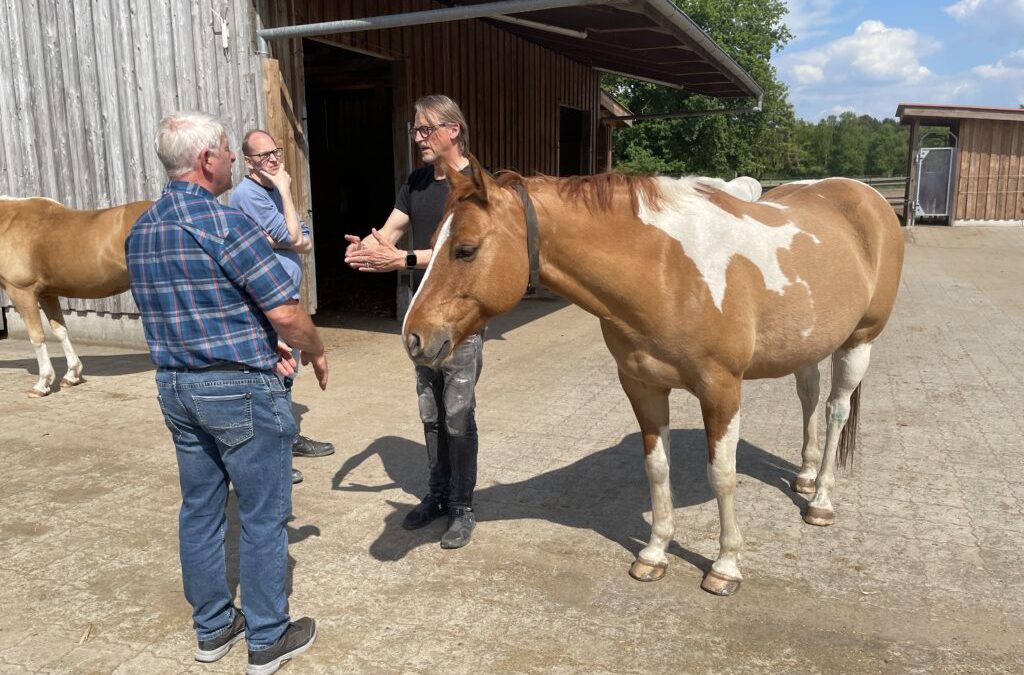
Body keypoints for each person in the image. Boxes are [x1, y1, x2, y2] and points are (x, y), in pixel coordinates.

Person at [126, 111, 325, 674]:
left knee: (201, 510)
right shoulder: (226, 224)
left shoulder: (141, 231)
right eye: (227, 152)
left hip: (175, 386)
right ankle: (267, 637)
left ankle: (212, 629)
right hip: (238, 389)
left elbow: (202, 307)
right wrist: (315, 346)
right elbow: (285, 311)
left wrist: (262, 341)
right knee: (263, 515)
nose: (235, 160)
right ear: (207, 160)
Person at [344, 94, 483, 549]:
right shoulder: (419, 181)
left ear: (453, 130)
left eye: (426, 130)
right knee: (431, 413)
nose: (419, 138)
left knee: (458, 415)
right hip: (421, 318)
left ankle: (463, 507)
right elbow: (389, 230)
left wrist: (400, 259)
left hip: (459, 319)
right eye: (415, 131)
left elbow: (462, 251)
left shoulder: (478, 185)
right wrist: (366, 247)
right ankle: (438, 495)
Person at [230, 129, 335, 486]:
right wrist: (288, 195)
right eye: (264, 156)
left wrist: (286, 239)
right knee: (275, 375)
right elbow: (294, 237)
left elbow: (304, 239)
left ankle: (286, 440)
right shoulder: (250, 195)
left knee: (285, 375)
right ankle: (275, 454)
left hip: (284, 293)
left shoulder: (270, 192)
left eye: (276, 153)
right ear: (248, 162)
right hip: (266, 302)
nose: (274, 160)